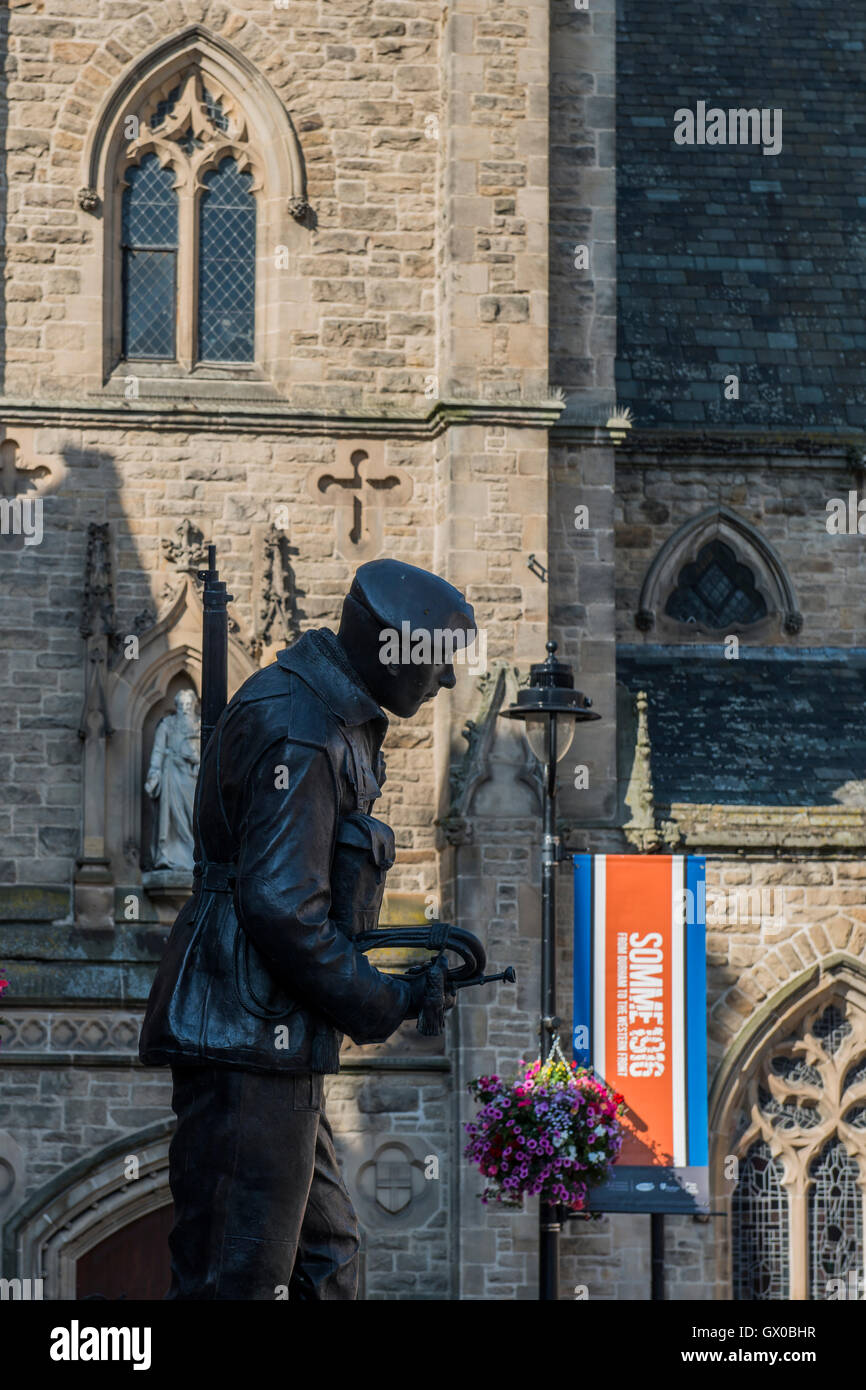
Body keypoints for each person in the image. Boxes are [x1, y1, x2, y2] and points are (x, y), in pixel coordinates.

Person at [139, 558, 476, 1300]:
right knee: (238, 1276)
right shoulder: (301, 727)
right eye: (439, 664)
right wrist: (380, 1002)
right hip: (244, 1036)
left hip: (275, 1044)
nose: (447, 682)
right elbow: (282, 909)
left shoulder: (330, 715)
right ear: (394, 651)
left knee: (328, 1256)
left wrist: (386, 982)